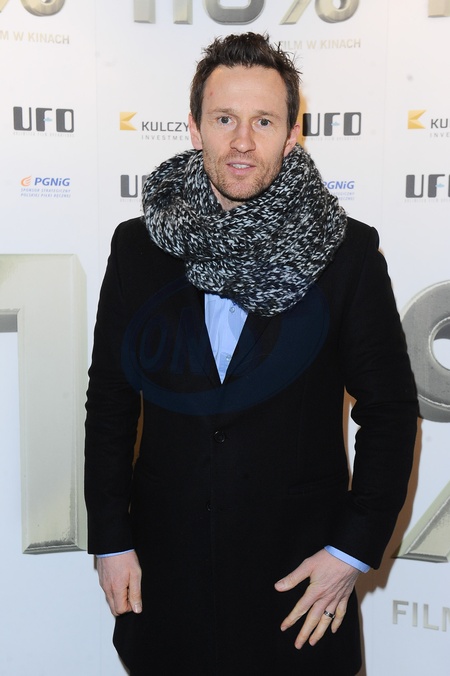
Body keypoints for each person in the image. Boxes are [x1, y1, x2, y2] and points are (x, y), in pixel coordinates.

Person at [84, 32, 418, 675]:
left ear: (292, 134)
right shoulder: (138, 249)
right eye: (224, 119)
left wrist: (351, 552)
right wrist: (111, 540)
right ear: (194, 128)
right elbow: (110, 403)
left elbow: (391, 411)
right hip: (167, 581)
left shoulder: (345, 254)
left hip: (298, 590)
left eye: (263, 121)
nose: (242, 141)